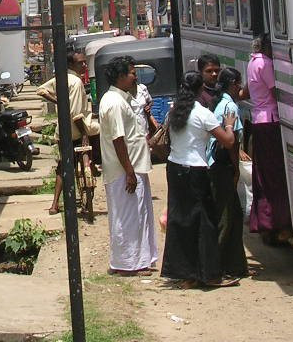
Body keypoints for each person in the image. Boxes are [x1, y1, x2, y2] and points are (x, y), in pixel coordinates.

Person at [160, 71, 238, 289]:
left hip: (174, 169)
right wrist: (229, 124)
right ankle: (210, 274)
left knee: (181, 222)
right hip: (195, 171)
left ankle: (186, 274)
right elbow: (228, 142)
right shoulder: (203, 114)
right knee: (205, 224)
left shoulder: (174, 111)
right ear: (200, 90)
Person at [98, 55, 157, 276]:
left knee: (138, 214)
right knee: (129, 217)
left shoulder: (122, 99)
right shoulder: (113, 102)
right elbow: (118, 139)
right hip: (124, 170)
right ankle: (129, 263)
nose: (135, 77)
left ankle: (136, 260)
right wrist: (129, 172)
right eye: (132, 73)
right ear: (121, 76)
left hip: (133, 167)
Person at [37, 51, 100, 216]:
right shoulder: (77, 82)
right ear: (72, 65)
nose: (84, 66)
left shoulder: (61, 78)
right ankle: (96, 165)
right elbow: (77, 115)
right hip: (77, 130)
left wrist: (58, 101)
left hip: (63, 131)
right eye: (81, 63)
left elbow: (41, 90)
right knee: (99, 130)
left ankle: (55, 204)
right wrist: (84, 133)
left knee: (63, 167)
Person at [246, 34, 293, 245]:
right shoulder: (265, 63)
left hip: (259, 119)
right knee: (275, 174)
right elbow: (276, 92)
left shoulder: (253, 62)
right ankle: (277, 222)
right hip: (269, 119)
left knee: (264, 173)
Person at [207, 67, 249, 278]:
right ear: (232, 84)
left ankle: (236, 265)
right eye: (238, 83)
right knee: (226, 217)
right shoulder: (230, 106)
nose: (240, 87)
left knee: (234, 214)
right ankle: (216, 267)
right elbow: (232, 144)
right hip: (221, 167)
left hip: (214, 165)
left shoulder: (218, 102)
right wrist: (235, 170)